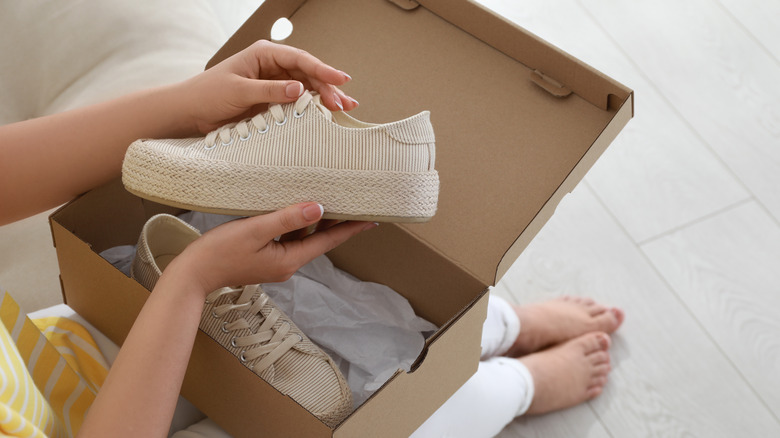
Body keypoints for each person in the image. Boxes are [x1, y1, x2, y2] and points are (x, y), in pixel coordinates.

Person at [0, 40, 623, 438]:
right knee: (374, 424)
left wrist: (188, 107)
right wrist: (189, 283)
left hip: (56, 362)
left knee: (358, 364)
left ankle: (498, 329)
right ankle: (513, 386)